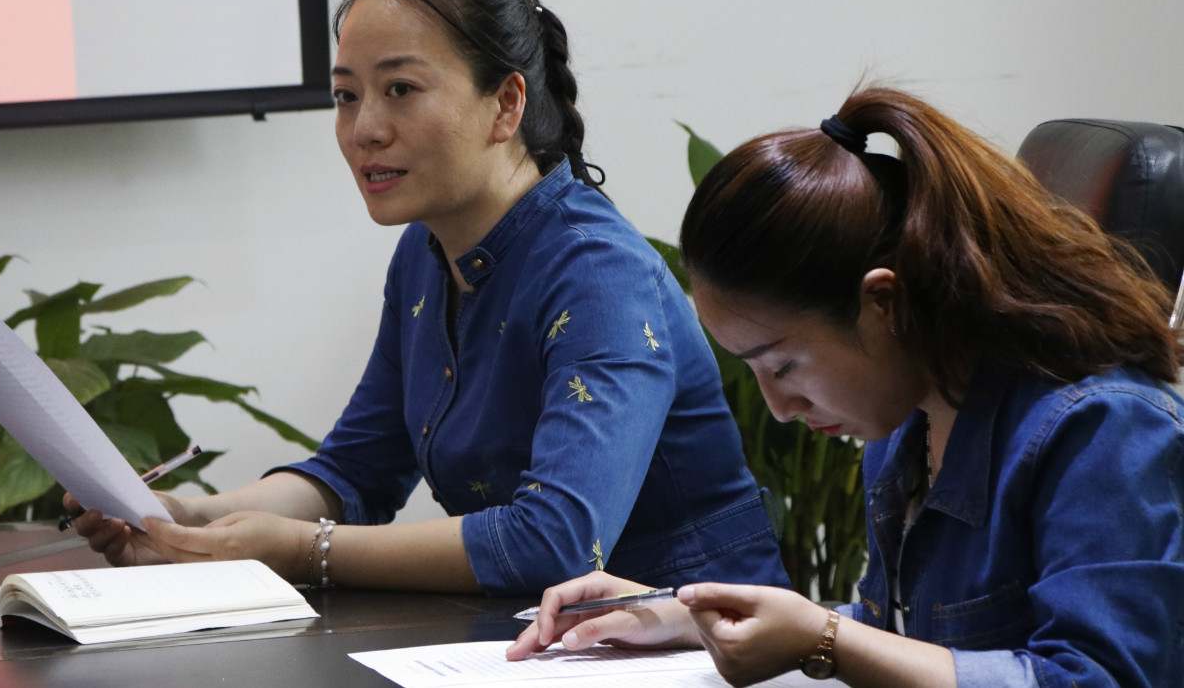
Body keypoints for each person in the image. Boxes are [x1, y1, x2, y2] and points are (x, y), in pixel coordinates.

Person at [65, 0, 787, 595]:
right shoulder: (424, 254)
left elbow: (556, 541)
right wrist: (188, 516)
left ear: (506, 104)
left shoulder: (600, 273)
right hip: (541, 652)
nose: (364, 130)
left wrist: (296, 550)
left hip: (701, 657)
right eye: (346, 96)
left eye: (400, 90)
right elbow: (356, 471)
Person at [507, 85, 1184, 686]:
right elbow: (905, 629)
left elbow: (1095, 676)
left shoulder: (1105, 428)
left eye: (784, 365)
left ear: (883, 305)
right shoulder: (910, 420)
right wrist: (681, 615)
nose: (777, 408)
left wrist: (824, 640)